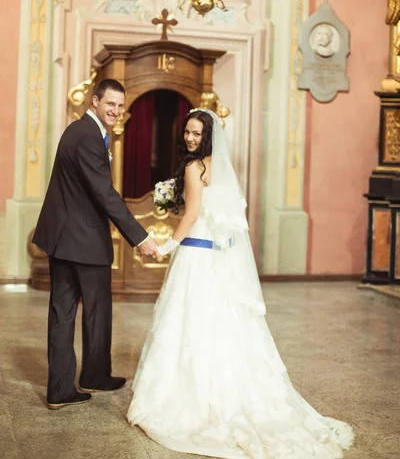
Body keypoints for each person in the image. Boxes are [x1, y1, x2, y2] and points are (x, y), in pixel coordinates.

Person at [127, 108, 354, 459]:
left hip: (195, 257)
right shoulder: (221, 168)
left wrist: (168, 246)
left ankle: (190, 399)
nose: (190, 138)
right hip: (217, 258)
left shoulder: (193, 167)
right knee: (220, 326)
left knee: (191, 325)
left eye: (196, 134)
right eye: (187, 132)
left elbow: (191, 214)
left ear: (208, 136)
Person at [33, 78, 159, 410]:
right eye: (110, 104)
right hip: (85, 240)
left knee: (62, 313)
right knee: (97, 311)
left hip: (63, 239)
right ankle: (94, 376)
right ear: (94, 101)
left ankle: (61, 389)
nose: (116, 111)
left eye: (120, 105)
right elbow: (104, 194)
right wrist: (141, 236)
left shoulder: (78, 131)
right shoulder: (89, 136)